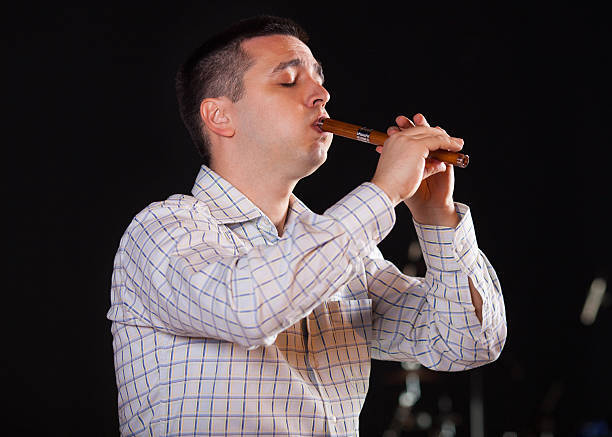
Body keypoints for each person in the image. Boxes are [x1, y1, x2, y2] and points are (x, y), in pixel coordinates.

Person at [107, 15, 506, 436]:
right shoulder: (161, 232)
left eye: (319, 79)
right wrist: (384, 190)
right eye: (288, 81)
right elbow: (249, 308)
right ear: (220, 116)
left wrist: (436, 217)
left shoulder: (348, 255)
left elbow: (467, 343)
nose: (322, 94)